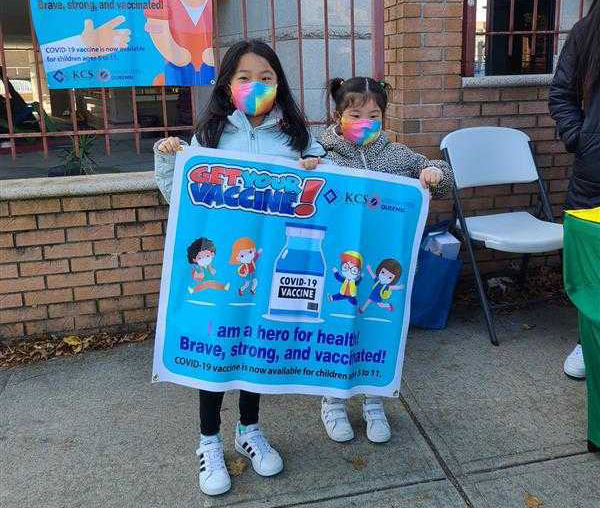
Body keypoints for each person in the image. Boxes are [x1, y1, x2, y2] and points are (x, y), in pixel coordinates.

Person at [154, 39, 325, 496]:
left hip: (268, 271)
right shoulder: (210, 135)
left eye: (266, 78)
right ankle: (208, 441)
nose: (256, 85)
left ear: (279, 84)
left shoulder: (296, 135)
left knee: (257, 349)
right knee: (215, 351)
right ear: (228, 84)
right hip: (221, 273)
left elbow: (328, 191)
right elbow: (179, 200)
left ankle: (248, 430)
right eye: (244, 77)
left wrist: (316, 166)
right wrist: (168, 158)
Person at [318, 76, 453, 444]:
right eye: (355, 113)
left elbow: (445, 179)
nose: (365, 121)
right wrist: (307, 167)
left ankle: (374, 400)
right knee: (337, 326)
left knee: (377, 326)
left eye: (374, 115)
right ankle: (332, 400)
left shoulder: (397, 155)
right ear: (338, 114)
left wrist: (434, 174)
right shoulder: (322, 152)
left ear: (384, 116)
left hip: (382, 267)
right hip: (339, 262)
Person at [549, 0, 600, 380]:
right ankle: (587, 342)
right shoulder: (588, 31)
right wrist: (581, 136)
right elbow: (561, 93)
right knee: (591, 262)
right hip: (594, 171)